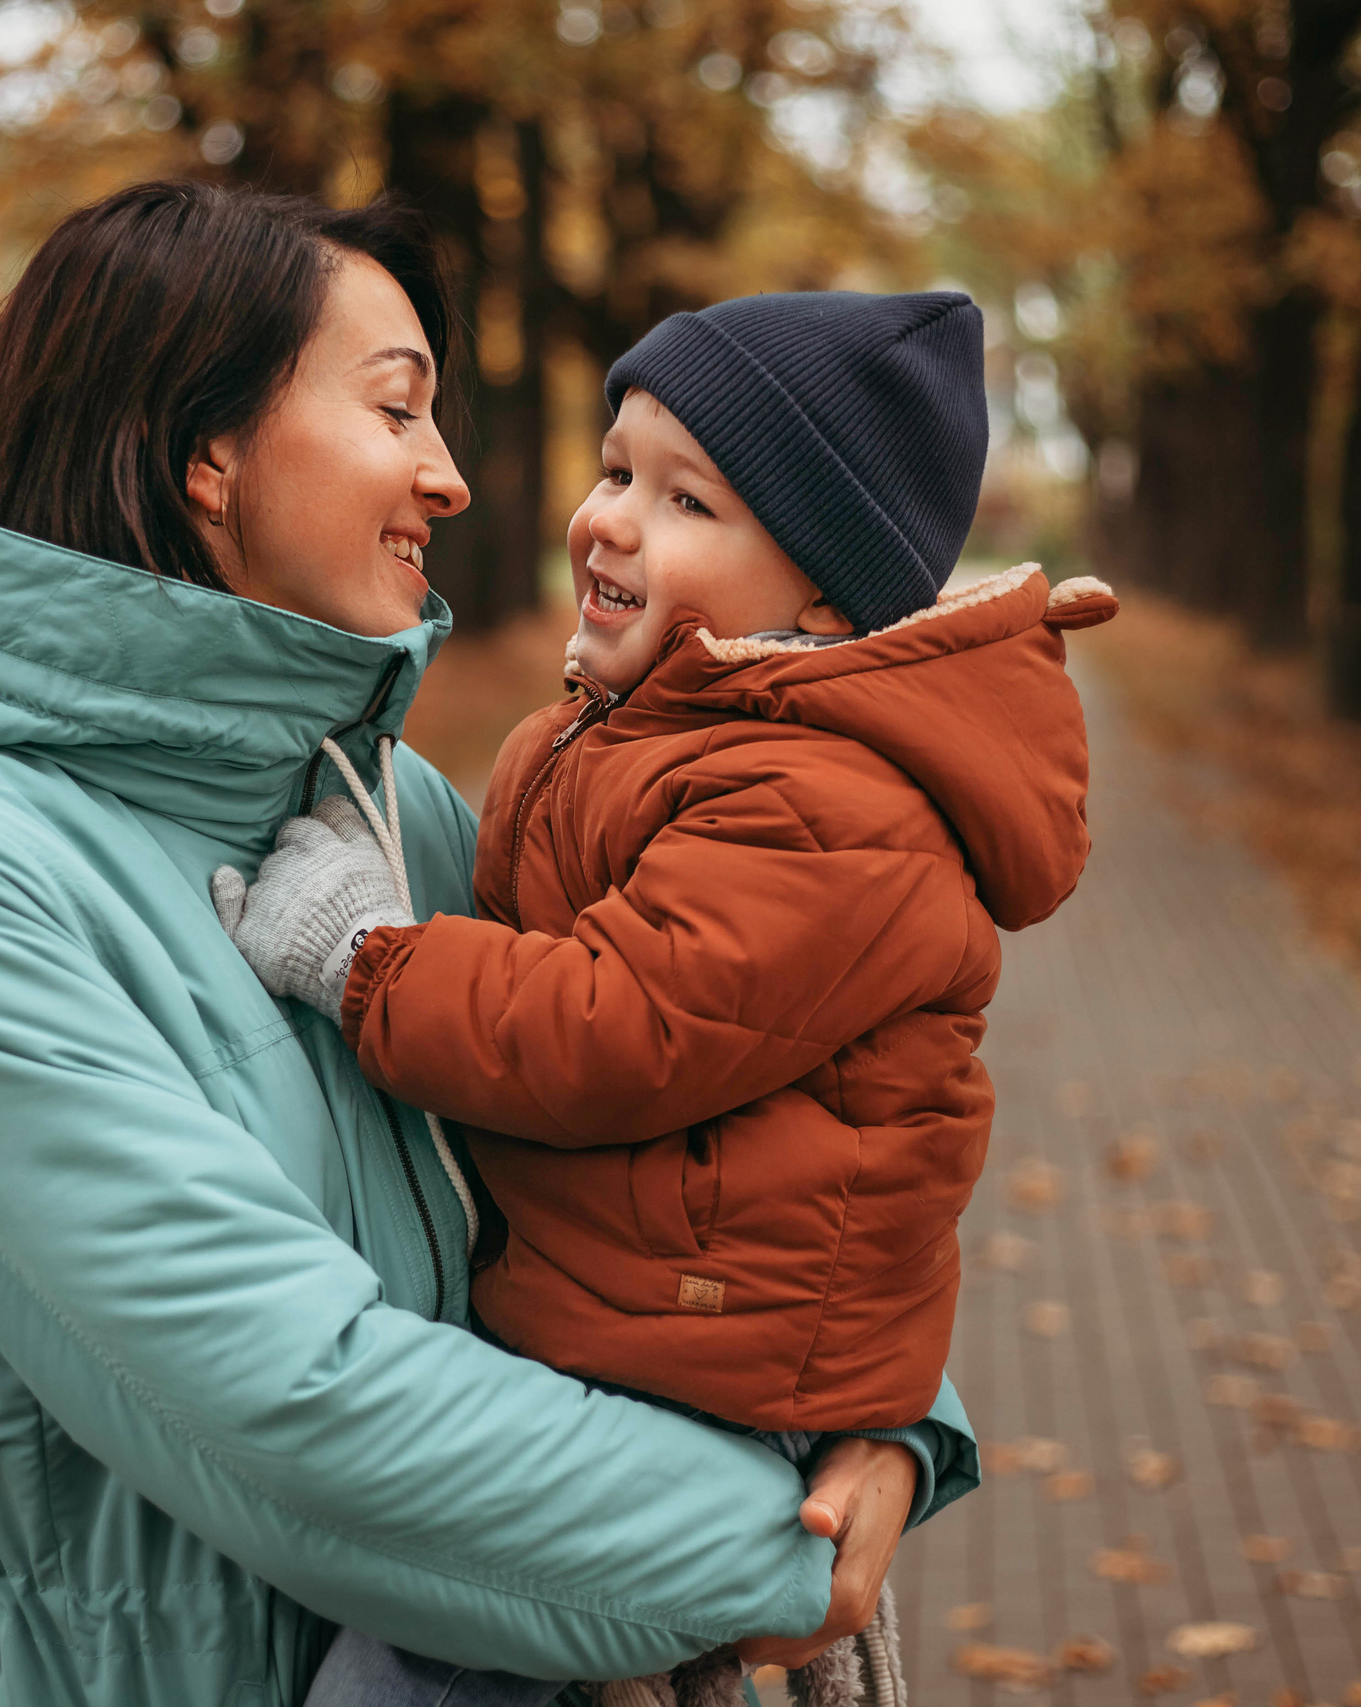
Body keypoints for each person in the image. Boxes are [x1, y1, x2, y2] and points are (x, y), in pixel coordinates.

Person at [0, 182, 978, 1707]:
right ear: (206, 453)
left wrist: (883, 1423)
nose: (452, 477)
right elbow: (298, 1418)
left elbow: (710, 1118)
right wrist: (785, 1542)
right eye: (396, 407)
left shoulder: (386, 803)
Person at [217, 290, 1115, 1707]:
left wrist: (361, 954)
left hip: (698, 1355)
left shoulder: (823, 799)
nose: (608, 520)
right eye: (617, 469)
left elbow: (607, 1029)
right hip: (644, 1326)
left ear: (823, 597)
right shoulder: (663, 736)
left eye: (687, 500)